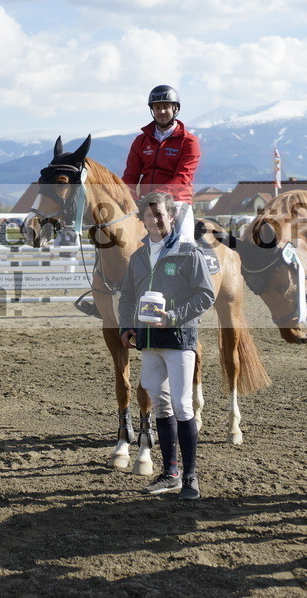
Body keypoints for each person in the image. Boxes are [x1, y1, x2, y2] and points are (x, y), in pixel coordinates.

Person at [118, 191, 214, 500]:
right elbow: (129, 297)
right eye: (149, 215)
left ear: (171, 217)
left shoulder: (189, 253)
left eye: (160, 214)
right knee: (160, 404)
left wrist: (172, 316)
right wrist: (126, 327)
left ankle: (190, 477)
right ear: (143, 220)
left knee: (183, 405)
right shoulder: (137, 257)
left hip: (178, 338)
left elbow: (205, 296)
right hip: (147, 341)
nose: (155, 219)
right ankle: (169, 472)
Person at [122, 85, 200, 245]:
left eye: (165, 107)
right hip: (144, 202)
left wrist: (154, 197)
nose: (161, 112)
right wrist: (130, 197)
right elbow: (130, 175)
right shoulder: (140, 141)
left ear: (175, 109)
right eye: (157, 107)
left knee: (185, 244)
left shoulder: (189, 141)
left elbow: (182, 177)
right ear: (152, 110)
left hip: (177, 201)